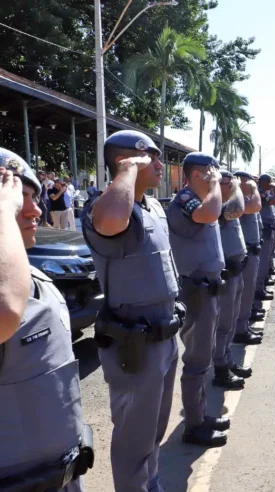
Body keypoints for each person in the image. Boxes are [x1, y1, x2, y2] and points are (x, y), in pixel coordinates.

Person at [81, 130, 182, 490]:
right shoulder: (105, 206)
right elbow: (110, 222)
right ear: (126, 161)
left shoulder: (152, 206)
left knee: (153, 431)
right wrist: (126, 172)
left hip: (165, 337)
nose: (158, 164)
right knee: (134, 441)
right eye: (149, 157)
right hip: (135, 346)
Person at [0, 149, 93, 491]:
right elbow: (5, 312)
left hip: (60, 474)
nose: (35, 209)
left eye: (34, 197)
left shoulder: (32, 274)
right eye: (16, 197)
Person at [167, 152, 231, 447]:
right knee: (196, 359)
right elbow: (210, 214)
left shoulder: (203, 201)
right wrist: (216, 184)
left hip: (209, 289)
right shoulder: (185, 201)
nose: (214, 176)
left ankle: (199, 415)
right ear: (197, 174)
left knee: (204, 357)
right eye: (210, 171)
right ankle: (194, 426)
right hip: (196, 291)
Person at [213, 170, 262, 393]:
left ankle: (227, 360)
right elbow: (242, 208)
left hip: (236, 267)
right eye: (227, 182)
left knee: (229, 323)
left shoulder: (228, 201)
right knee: (222, 325)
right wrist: (246, 187)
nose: (232, 186)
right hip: (224, 272)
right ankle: (220, 367)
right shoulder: (219, 205)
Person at [234, 171, 266, 327]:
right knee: (244, 290)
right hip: (244, 252)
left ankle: (246, 318)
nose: (252, 184)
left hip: (252, 249)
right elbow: (254, 207)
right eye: (249, 182)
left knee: (249, 288)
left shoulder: (248, 198)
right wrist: (254, 190)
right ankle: (241, 326)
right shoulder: (237, 199)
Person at [256, 174, 275, 301]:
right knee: (263, 259)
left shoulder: (264, 192)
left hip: (269, 227)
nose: (270, 185)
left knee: (266, 258)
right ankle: (259, 288)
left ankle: (262, 284)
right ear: (263, 182)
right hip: (264, 229)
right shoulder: (260, 192)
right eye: (269, 183)